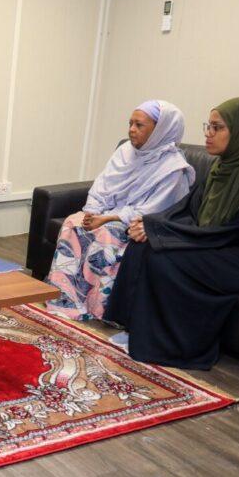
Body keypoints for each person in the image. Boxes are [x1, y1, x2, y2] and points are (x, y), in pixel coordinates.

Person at [105, 96, 239, 369]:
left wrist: (162, 233)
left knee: (165, 258)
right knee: (142, 244)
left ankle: (172, 348)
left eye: (218, 127)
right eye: (209, 126)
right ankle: (134, 327)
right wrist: (151, 224)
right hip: (229, 243)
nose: (208, 133)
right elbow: (190, 209)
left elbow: (231, 230)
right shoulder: (225, 165)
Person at [45, 100, 195, 320]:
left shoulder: (173, 168)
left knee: (108, 234)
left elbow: (153, 210)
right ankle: (63, 296)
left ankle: (96, 307)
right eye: (130, 123)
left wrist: (107, 219)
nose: (131, 130)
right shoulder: (125, 151)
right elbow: (102, 184)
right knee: (73, 223)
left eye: (139, 125)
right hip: (108, 213)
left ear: (160, 130)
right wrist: (93, 211)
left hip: (138, 223)